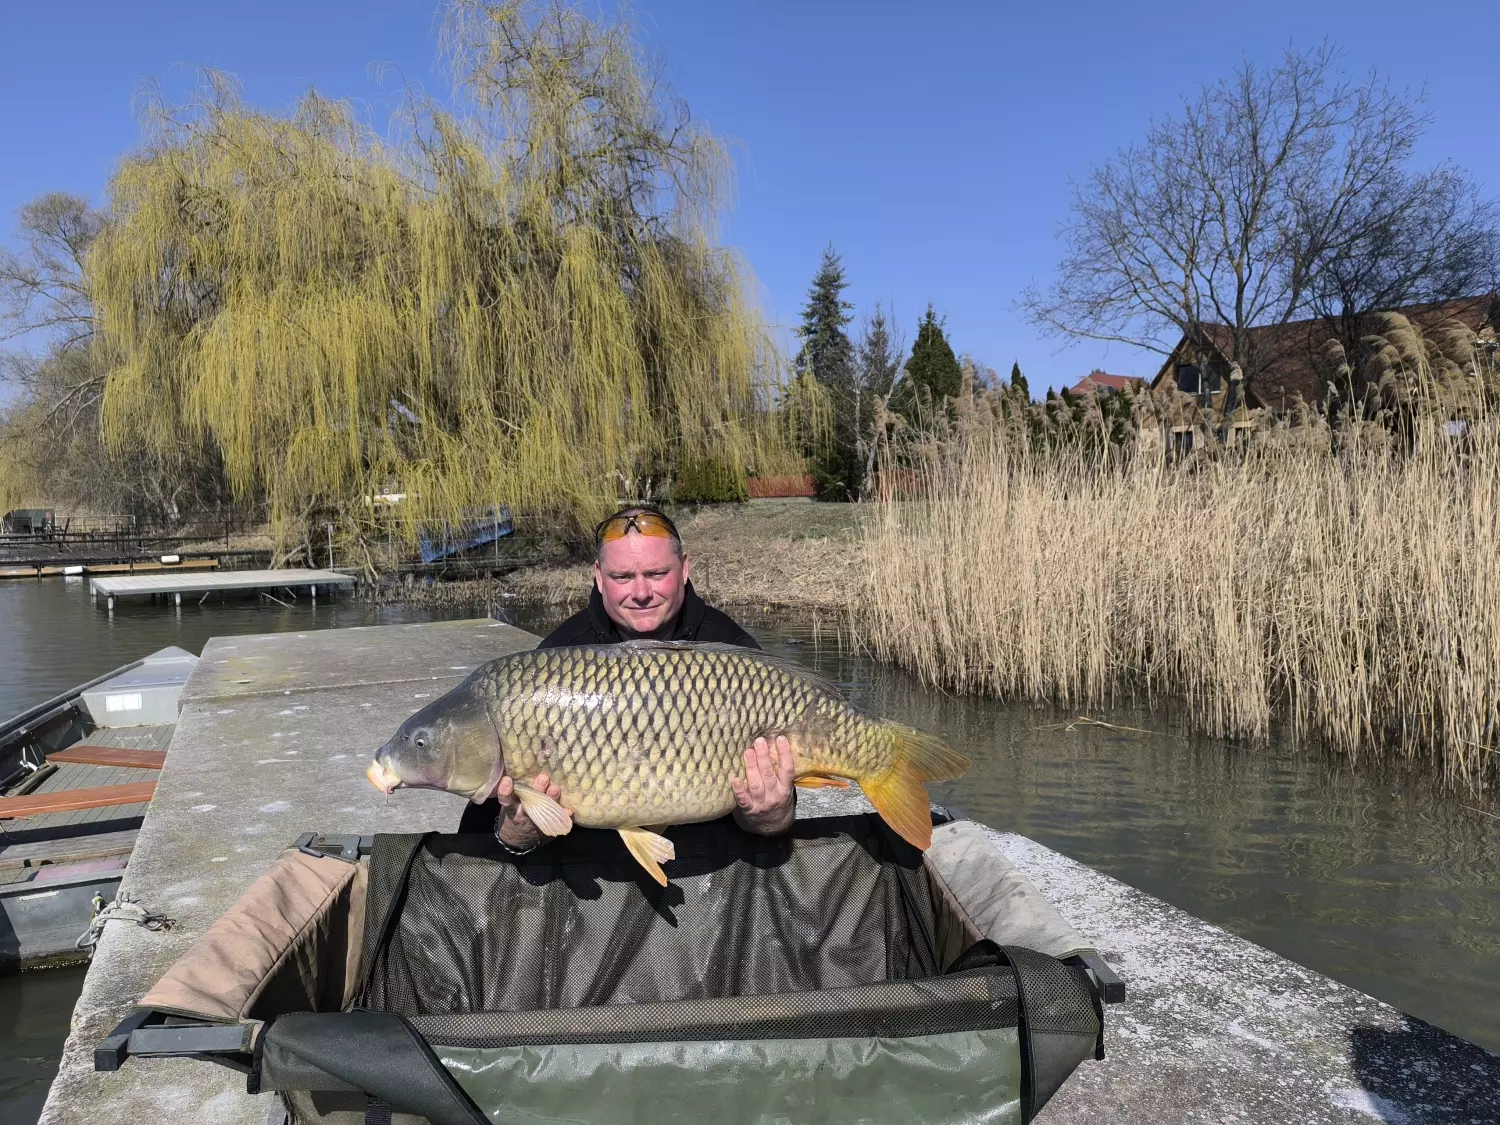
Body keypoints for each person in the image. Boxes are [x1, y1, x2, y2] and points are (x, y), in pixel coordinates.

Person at [459, 505, 798, 850]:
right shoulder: (556, 659)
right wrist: (519, 832)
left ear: (684, 569)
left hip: (710, 867)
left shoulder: (734, 650)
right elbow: (484, 842)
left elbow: (774, 825)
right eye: (622, 577)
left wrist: (769, 816)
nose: (641, 593)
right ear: (598, 576)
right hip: (591, 872)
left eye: (656, 573)